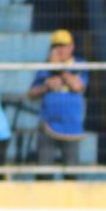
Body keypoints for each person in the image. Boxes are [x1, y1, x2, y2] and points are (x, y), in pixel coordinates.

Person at [26, 29, 86, 171]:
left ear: (71, 46)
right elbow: (31, 94)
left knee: (71, 173)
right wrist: (46, 87)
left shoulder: (79, 64)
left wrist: (60, 70)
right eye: (55, 46)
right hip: (48, 127)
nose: (59, 49)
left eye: (63, 45)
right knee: (44, 172)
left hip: (72, 128)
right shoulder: (45, 68)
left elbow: (78, 87)